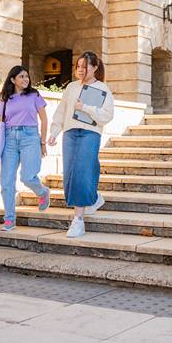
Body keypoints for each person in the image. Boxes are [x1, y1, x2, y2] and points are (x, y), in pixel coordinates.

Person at [47, 51, 114, 238]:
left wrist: (85, 108)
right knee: (69, 173)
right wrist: (53, 132)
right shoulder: (71, 87)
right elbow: (61, 111)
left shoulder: (103, 89)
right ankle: (93, 198)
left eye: (84, 67)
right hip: (70, 132)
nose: (80, 70)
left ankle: (78, 220)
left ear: (94, 68)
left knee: (82, 171)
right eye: (78, 66)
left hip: (90, 133)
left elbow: (107, 116)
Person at [0, 65, 50, 232]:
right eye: (21, 76)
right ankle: (9, 219)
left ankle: (42, 192)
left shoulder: (34, 95)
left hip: (30, 138)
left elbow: (44, 120)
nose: (25, 79)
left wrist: (43, 143)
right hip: (9, 140)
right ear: (13, 79)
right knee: (6, 182)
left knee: (28, 177)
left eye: (27, 76)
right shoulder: (6, 99)